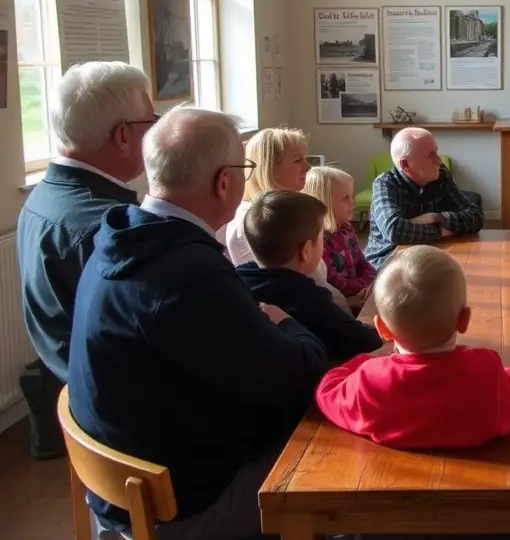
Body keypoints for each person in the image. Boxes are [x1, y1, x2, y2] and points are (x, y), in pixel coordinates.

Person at [67, 107, 329, 540]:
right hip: (179, 509)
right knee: (331, 444)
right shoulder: (188, 273)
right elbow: (301, 376)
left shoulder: (117, 239)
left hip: (121, 488)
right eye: (244, 170)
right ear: (223, 181)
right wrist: (287, 324)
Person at [18, 61, 155, 385]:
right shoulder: (111, 228)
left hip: (68, 381)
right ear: (122, 135)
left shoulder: (42, 197)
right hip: (115, 396)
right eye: (151, 124)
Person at [316, 245, 510, 449]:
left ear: (383, 329)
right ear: (464, 319)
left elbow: (327, 391)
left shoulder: (368, 382)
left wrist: (367, 359)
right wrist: (509, 374)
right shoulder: (487, 370)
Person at [235, 190, 383, 361]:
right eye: (321, 236)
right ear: (306, 251)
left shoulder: (238, 279)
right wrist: (368, 320)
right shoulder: (310, 300)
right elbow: (366, 341)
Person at [364, 127, 484, 267]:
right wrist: (440, 231)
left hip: (427, 254)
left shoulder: (441, 175)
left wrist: (436, 217)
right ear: (405, 164)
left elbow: (476, 217)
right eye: (430, 155)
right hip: (387, 262)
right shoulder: (385, 184)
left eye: (436, 152)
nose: (438, 160)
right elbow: (395, 231)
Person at [219, 126, 310, 265]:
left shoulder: (283, 210)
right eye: (297, 160)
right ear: (270, 168)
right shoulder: (256, 219)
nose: (308, 167)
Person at [303, 166, 376, 313]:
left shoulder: (346, 228)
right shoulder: (319, 240)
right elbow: (333, 281)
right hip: (342, 304)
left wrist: (372, 280)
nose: (352, 202)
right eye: (345, 198)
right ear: (324, 203)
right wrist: (363, 286)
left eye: (351, 195)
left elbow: (362, 261)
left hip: (363, 291)